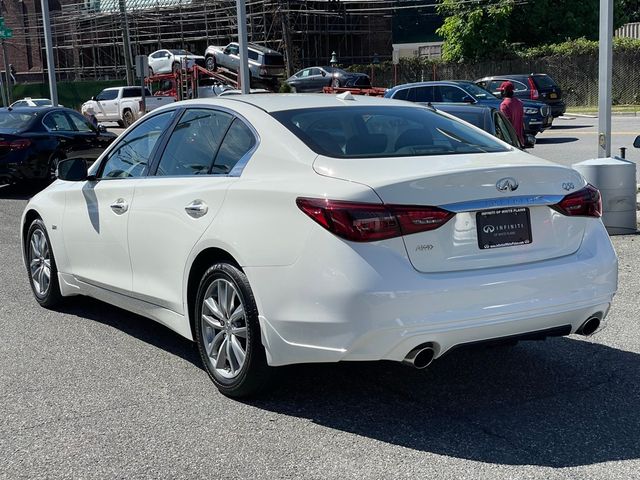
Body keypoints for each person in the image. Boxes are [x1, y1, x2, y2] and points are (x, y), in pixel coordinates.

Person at [498, 81, 525, 145]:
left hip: (511, 140)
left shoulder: (504, 104)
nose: (500, 92)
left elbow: (506, 123)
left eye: (501, 90)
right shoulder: (519, 102)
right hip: (520, 139)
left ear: (504, 91)